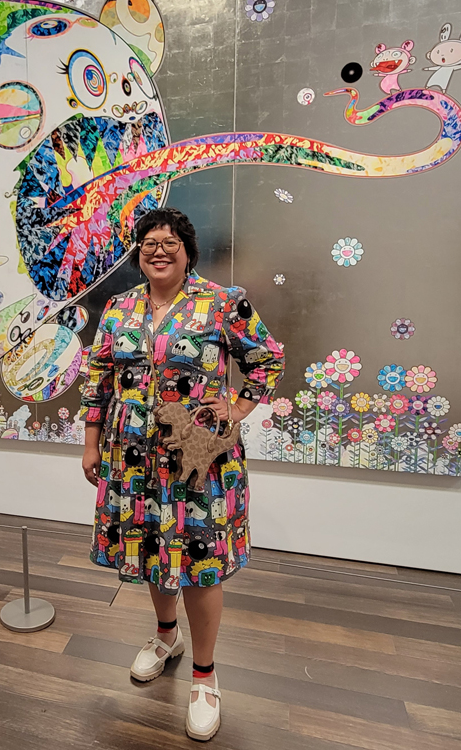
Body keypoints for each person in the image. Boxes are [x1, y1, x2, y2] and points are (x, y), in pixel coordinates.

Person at [80, 208, 285, 741]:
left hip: (200, 460)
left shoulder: (222, 303)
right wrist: (91, 443)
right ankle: (166, 636)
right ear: (138, 252)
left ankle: (205, 676)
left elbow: (267, 358)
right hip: (132, 457)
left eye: (170, 242)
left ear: (188, 251)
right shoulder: (119, 307)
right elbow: (98, 377)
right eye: (149, 242)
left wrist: (236, 408)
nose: (159, 251)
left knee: (200, 560)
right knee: (152, 546)